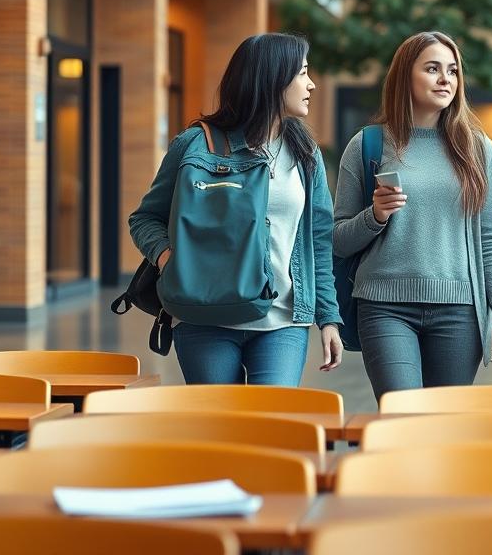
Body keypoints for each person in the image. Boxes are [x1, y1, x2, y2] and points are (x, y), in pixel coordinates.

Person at [129, 33, 343, 385]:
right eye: (302, 73)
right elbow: (145, 218)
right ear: (273, 78)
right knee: (219, 425)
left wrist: (329, 318)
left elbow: (319, 241)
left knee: (270, 423)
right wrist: (170, 258)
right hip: (204, 317)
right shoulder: (196, 145)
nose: (312, 84)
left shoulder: (306, 155)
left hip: (283, 321)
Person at [332, 31, 492, 400]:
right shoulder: (367, 144)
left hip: (460, 310)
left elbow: (490, 237)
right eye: (432, 69)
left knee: (443, 426)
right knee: (401, 415)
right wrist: (376, 216)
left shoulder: (478, 149)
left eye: (452, 70)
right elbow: (336, 238)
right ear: (405, 76)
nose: (446, 79)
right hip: (384, 307)